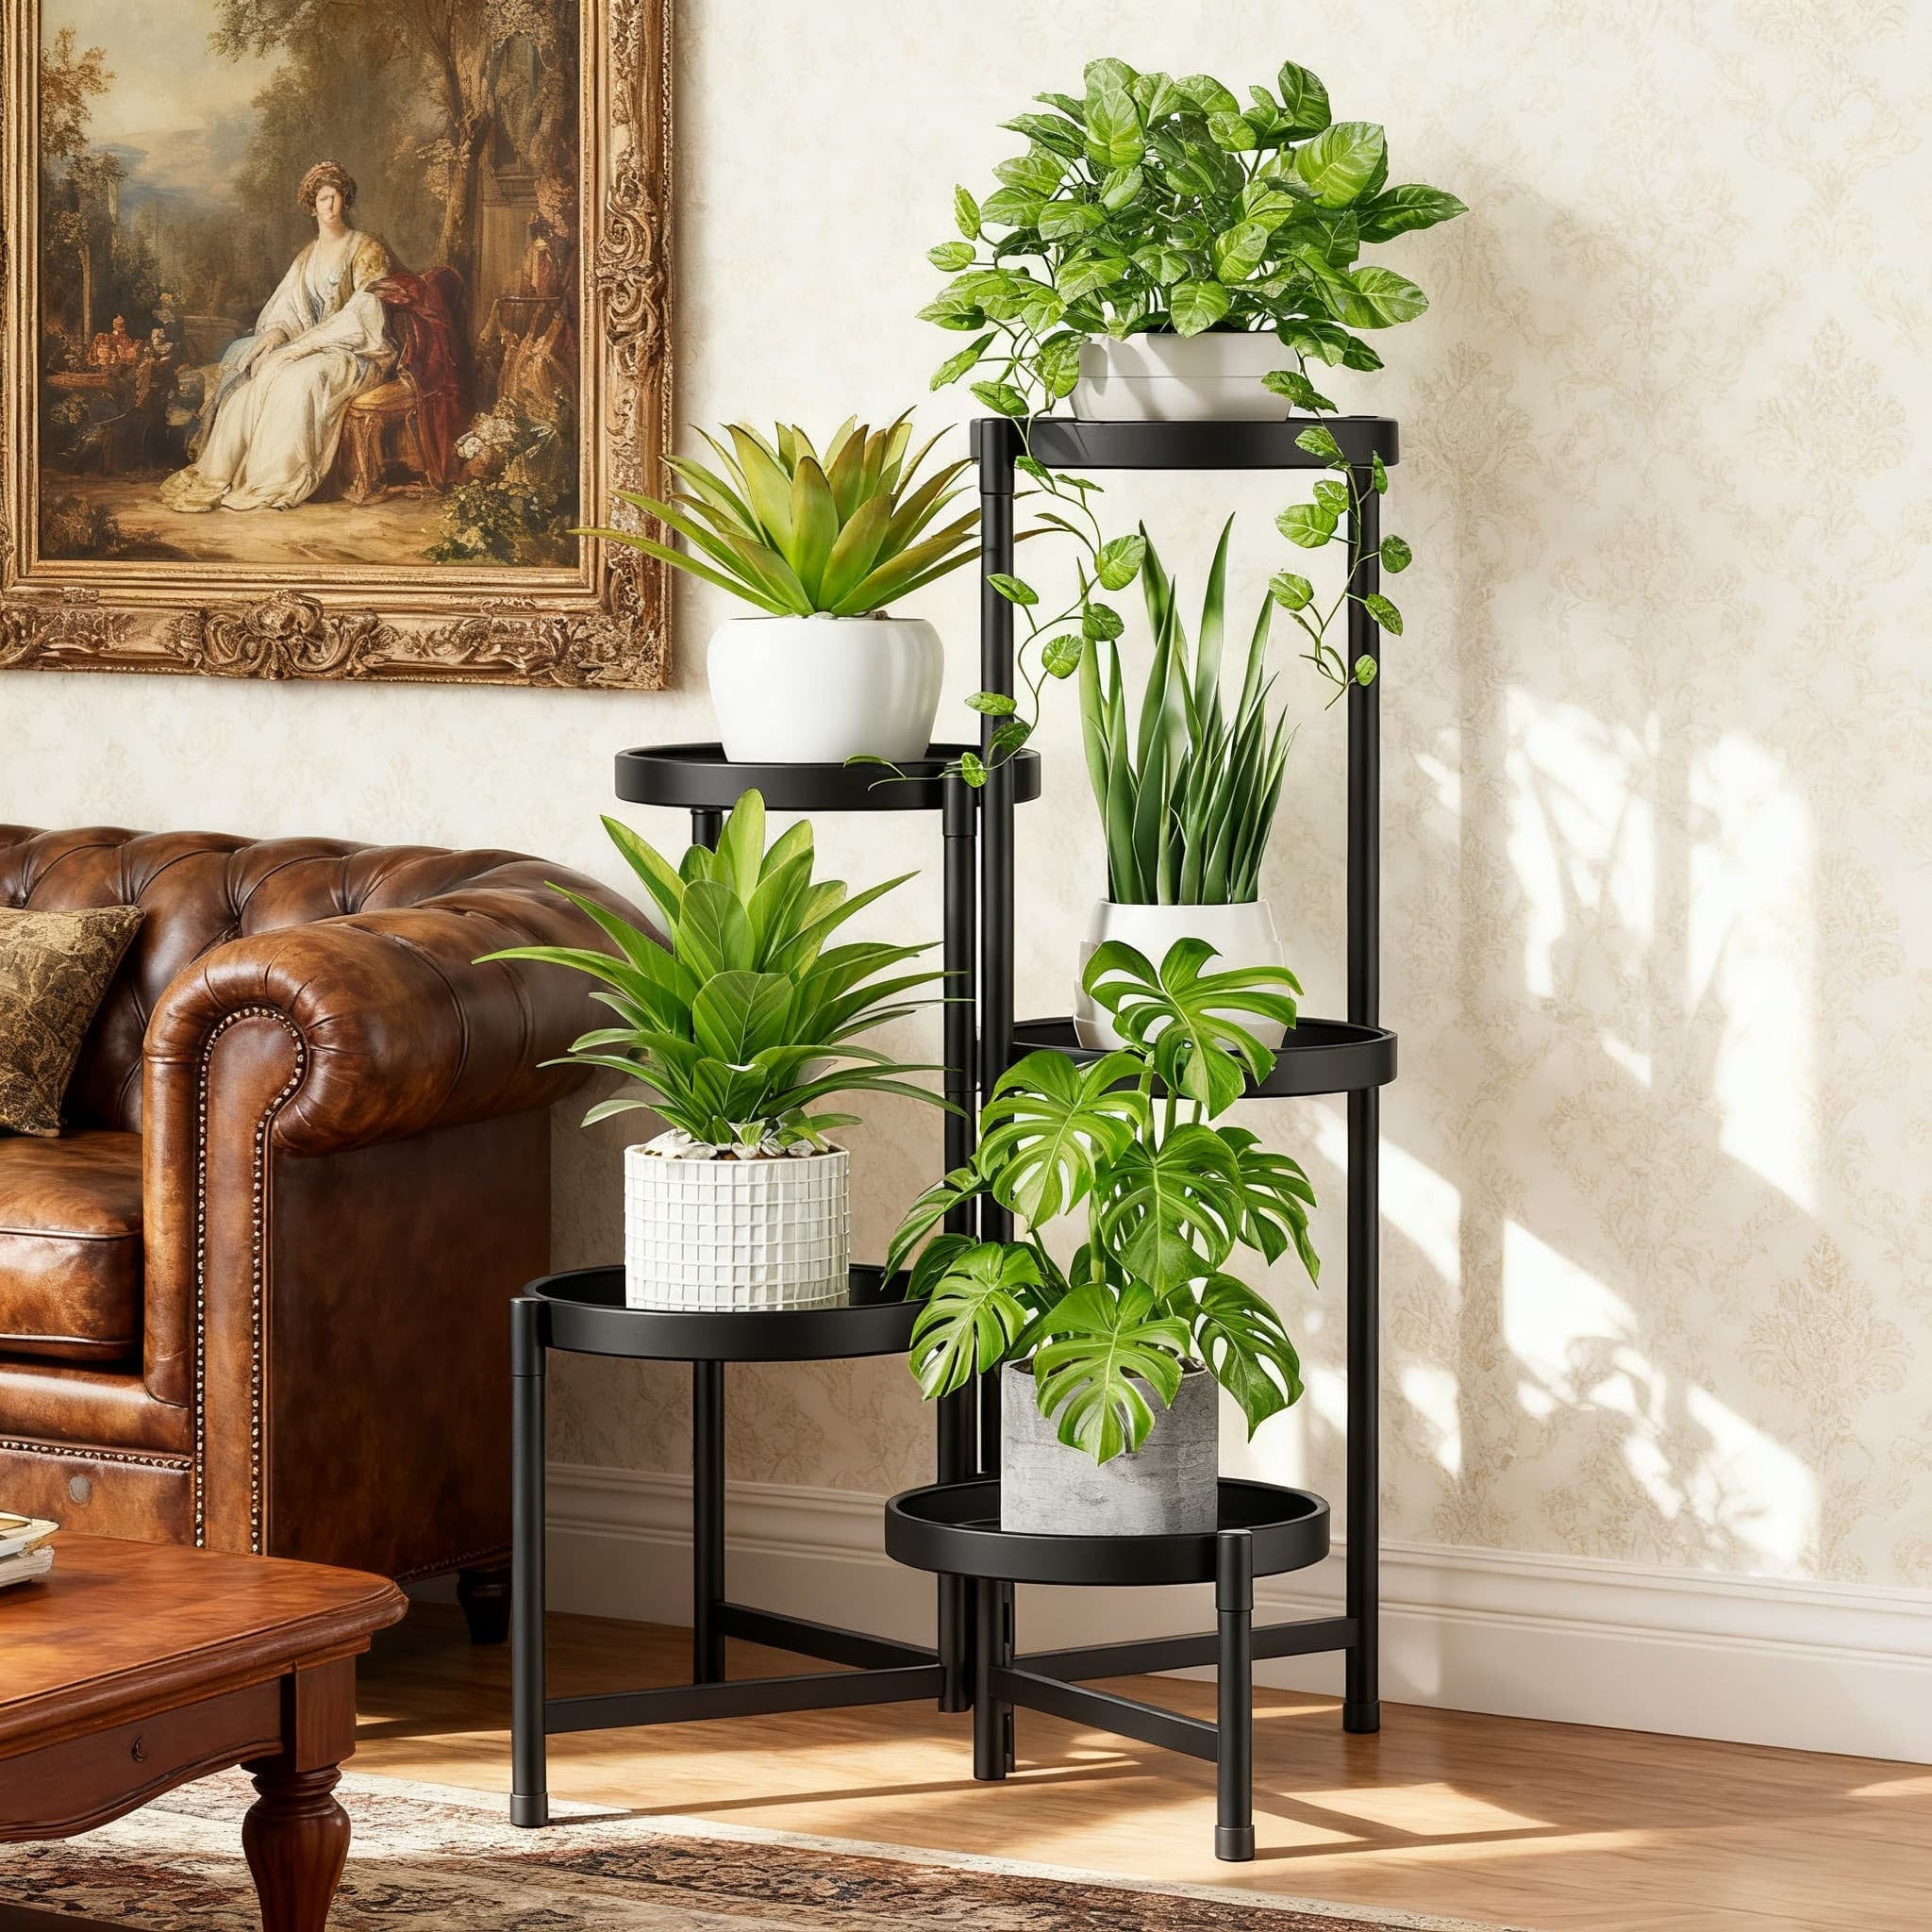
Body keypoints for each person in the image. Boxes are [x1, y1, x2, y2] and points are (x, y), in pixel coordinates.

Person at [159, 161, 393, 513]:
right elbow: (288, 309)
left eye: (335, 198)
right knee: (258, 378)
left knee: (297, 380)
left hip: (355, 354)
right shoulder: (306, 258)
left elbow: (366, 315)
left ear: (346, 201)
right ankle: (222, 475)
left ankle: (272, 481)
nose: (329, 207)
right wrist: (277, 334)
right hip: (311, 350)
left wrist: (302, 346)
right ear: (311, 206)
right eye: (322, 200)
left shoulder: (366, 249)